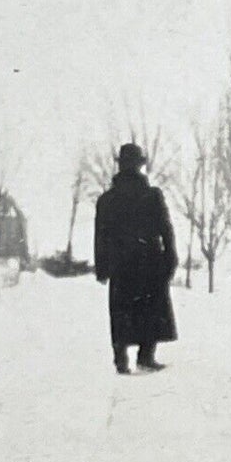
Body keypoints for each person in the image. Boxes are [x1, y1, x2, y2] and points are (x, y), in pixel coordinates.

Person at [93, 143, 178, 374]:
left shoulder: (107, 200)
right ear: (140, 165)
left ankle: (121, 360)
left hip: (120, 264)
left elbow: (100, 236)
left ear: (120, 165)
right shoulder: (152, 195)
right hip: (149, 260)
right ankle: (146, 356)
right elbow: (166, 229)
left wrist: (102, 268)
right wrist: (170, 257)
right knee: (150, 308)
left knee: (121, 311)